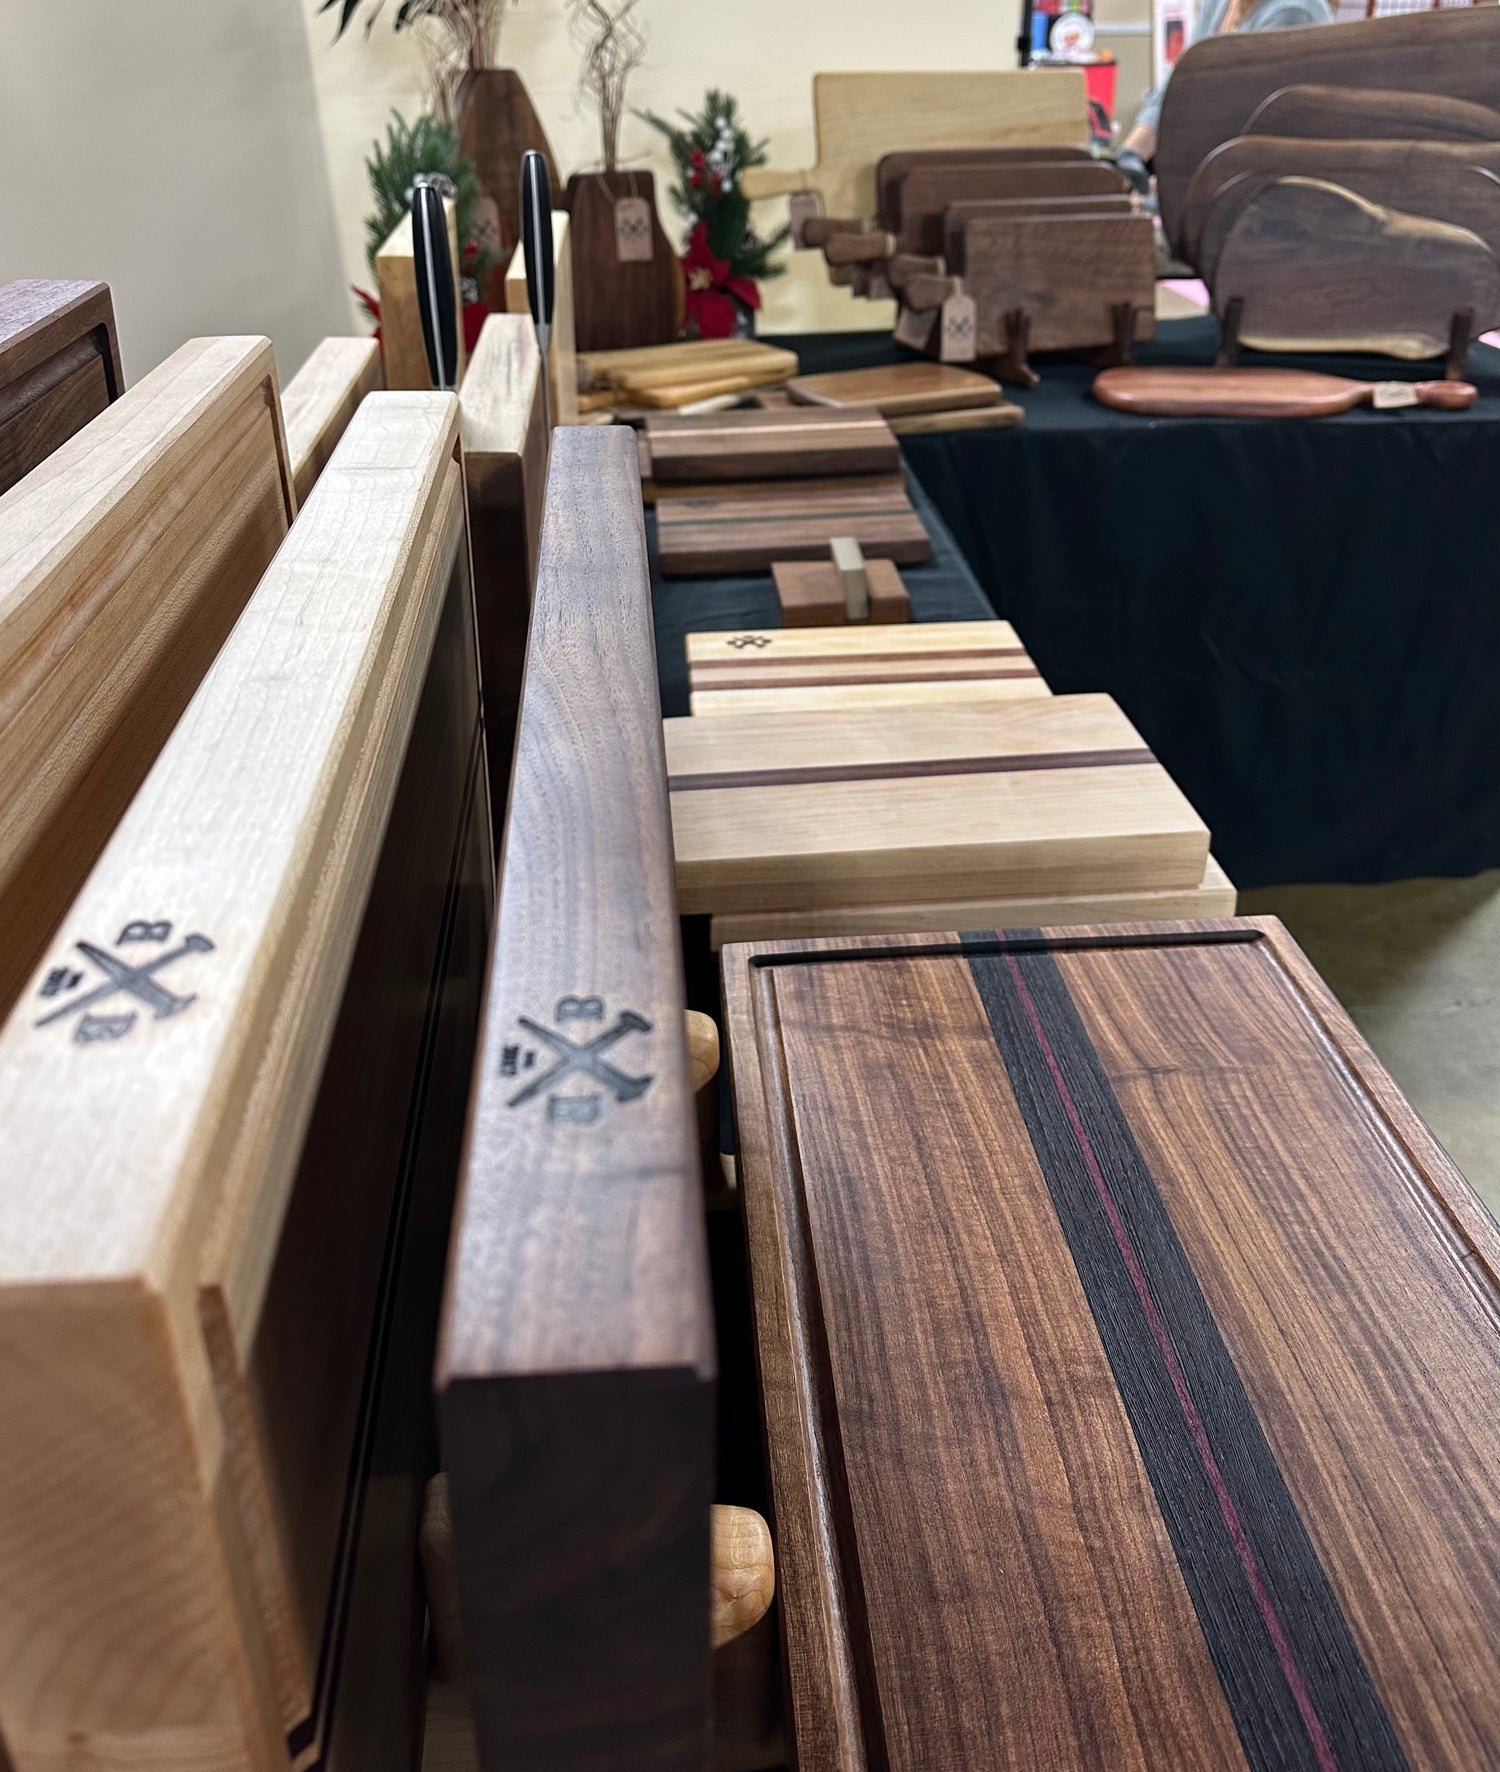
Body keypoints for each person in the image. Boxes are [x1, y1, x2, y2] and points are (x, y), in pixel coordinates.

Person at [1115, 0, 1334, 185]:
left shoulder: (1294, 11)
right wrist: (1130, 153)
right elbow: (1181, 83)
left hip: (1275, 186)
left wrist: (1169, 185)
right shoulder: (1219, 3)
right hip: (1225, 174)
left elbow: (1244, 119)